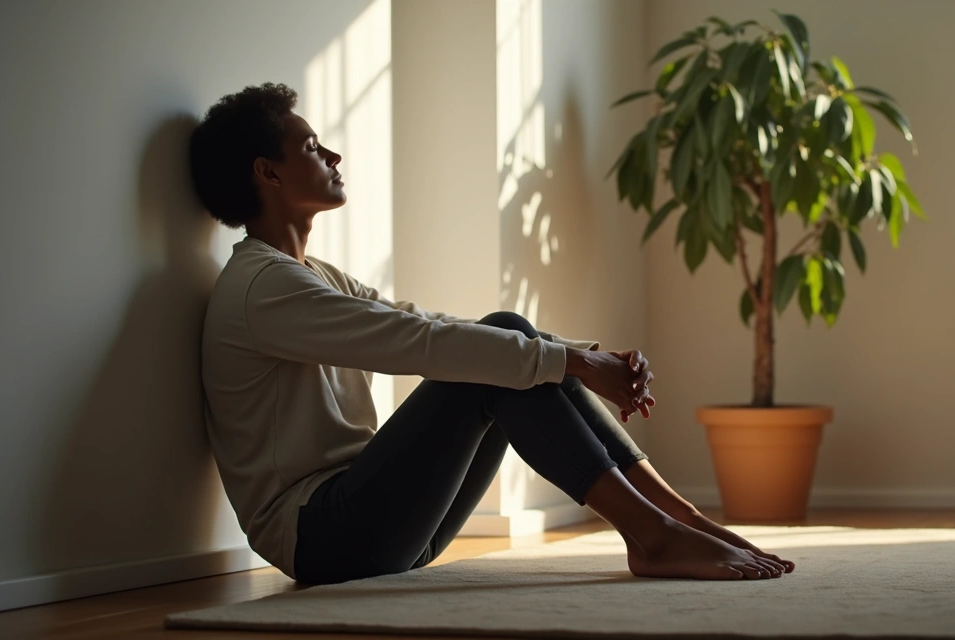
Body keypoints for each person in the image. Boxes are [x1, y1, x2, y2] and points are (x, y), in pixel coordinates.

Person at [190, 82, 794, 585]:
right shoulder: (261, 289)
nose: (335, 158)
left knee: (505, 344)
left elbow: (427, 322)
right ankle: (655, 535)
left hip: (382, 527)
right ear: (267, 172)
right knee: (495, 355)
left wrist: (582, 356)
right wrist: (577, 365)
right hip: (324, 538)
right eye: (314, 147)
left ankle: (676, 518)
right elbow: (418, 344)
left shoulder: (308, 275)